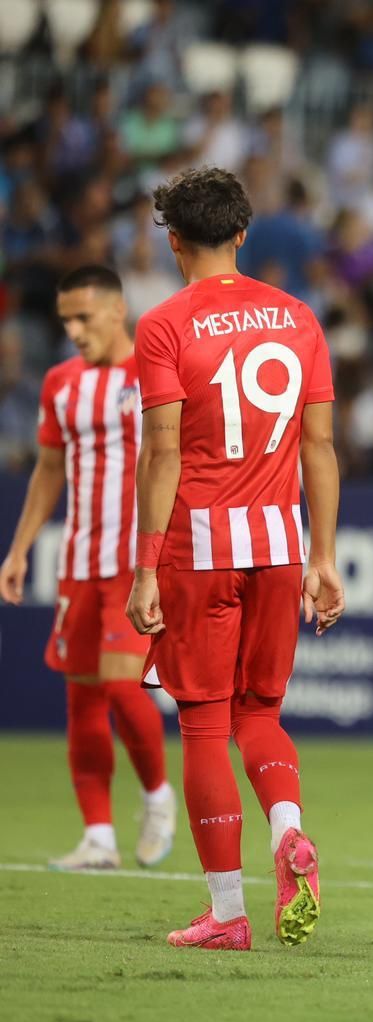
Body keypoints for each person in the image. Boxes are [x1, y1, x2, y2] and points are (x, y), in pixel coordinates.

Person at [126, 166, 345, 951]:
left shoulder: (163, 325)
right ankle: (288, 831)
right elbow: (318, 446)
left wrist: (147, 566)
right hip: (281, 547)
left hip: (200, 549)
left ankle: (226, 913)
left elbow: (160, 453)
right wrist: (324, 556)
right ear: (244, 234)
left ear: (174, 240)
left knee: (204, 723)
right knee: (261, 715)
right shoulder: (298, 319)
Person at [0, 266, 176, 872]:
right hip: (79, 561)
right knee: (81, 700)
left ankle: (157, 795)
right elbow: (49, 470)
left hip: (136, 563)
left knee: (124, 687)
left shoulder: (152, 373)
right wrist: (20, 548)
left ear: (117, 310)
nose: (74, 331)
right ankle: (98, 837)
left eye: (83, 317)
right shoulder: (60, 384)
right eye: (65, 320)